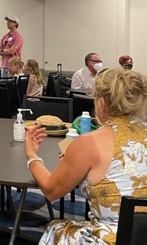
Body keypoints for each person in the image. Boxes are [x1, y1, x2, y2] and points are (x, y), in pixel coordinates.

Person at [24, 67, 147, 244]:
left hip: (116, 238)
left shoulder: (89, 142)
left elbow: (51, 190)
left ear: (102, 103)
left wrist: (31, 153)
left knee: (56, 229)